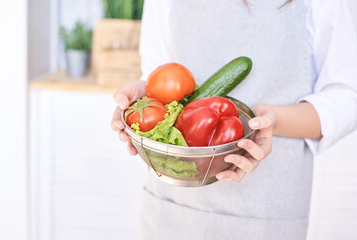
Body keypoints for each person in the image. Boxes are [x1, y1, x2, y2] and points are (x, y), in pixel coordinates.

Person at [111, 0, 357, 239]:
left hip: (268, 204)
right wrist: (140, 103)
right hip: (174, 205)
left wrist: (275, 119)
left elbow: (349, 96)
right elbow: (156, 73)